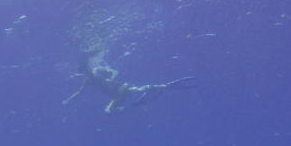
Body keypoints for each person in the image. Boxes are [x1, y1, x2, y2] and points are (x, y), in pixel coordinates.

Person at [62, 52, 196, 114]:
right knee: (108, 110)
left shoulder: (98, 70)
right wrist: (68, 100)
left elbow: (115, 72)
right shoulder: (88, 81)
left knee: (137, 90)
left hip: (119, 88)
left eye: (85, 69)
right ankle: (133, 105)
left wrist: (111, 79)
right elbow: (79, 93)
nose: (86, 72)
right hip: (115, 95)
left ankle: (165, 86)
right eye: (83, 71)